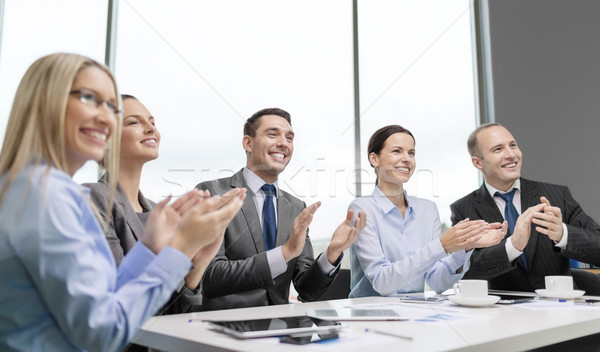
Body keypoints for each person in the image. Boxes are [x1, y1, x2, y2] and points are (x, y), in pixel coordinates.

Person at [0, 53, 244, 352]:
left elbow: (104, 297)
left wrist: (152, 248)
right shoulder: (44, 195)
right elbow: (102, 331)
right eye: (90, 98)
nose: (106, 117)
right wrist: (179, 249)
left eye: (111, 106)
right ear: (45, 102)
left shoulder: (53, 191)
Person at [195, 107, 367, 310]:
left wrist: (332, 253)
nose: (283, 143)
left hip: (281, 328)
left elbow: (306, 290)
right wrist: (284, 253)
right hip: (224, 326)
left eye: (289, 138)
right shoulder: (212, 193)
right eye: (272, 134)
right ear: (248, 143)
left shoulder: (295, 207)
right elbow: (209, 277)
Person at [85, 95, 210, 315]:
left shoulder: (156, 211)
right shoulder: (94, 197)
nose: (151, 128)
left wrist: (198, 261)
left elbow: (174, 310)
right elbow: (116, 297)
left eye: (152, 122)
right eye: (134, 122)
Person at [348, 125, 505, 297]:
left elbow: (437, 282)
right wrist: (441, 246)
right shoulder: (362, 209)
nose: (406, 159)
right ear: (374, 159)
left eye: (411, 153)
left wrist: (464, 248)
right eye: (396, 151)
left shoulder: (427, 210)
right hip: (369, 315)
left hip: (414, 314)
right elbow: (382, 282)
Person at [450, 123, 600, 291]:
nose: (511, 154)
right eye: (498, 149)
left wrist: (563, 234)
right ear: (478, 162)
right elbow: (465, 274)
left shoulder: (557, 195)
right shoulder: (463, 209)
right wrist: (512, 246)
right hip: (503, 313)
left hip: (561, 309)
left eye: (513, 145)